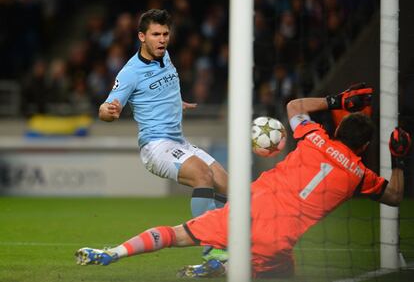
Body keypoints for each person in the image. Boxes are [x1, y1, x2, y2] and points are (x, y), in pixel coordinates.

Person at [76, 86, 411, 278]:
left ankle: (114, 252)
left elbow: (294, 105)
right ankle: (225, 263)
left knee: (176, 234)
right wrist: (398, 158)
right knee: (276, 268)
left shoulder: (314, 137)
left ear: (337, 131)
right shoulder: (360, 176)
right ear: (365, 149)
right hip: (280, 236)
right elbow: (395, 195)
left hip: (249, 208)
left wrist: (336, 101)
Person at [97, 9, 228, 261]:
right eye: (155, 34)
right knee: (203, 175)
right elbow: (106, 108)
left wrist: (175, 102)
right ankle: (211, 247)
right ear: (141, 37)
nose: (162, 39)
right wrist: (108, 110)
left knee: (226, 183)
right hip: (156, 146)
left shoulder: (165, 56)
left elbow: (161, 89)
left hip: (179, 141)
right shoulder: (130, 72)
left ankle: (224, 239)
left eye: (165, 34)